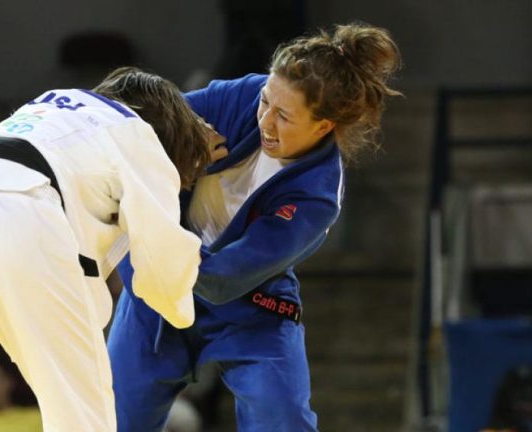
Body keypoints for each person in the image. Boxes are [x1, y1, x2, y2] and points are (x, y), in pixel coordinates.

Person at [0, 67, 212, 432]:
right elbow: (162, 263)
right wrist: (183, 302)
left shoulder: (49, 106)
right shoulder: (135, 130)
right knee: (78, 405)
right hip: (17, 212)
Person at [108, 23, 403, 431]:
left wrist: (151, 242)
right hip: (153, 299)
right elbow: (144, 129)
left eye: (284, 116)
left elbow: (223, 280)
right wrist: (178, 155)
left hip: (248, 305)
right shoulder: (244, 95)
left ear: (323, 126)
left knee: (283, 419)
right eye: (266, 102)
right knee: (110, 420)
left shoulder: (315, 196)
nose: (265, 120)